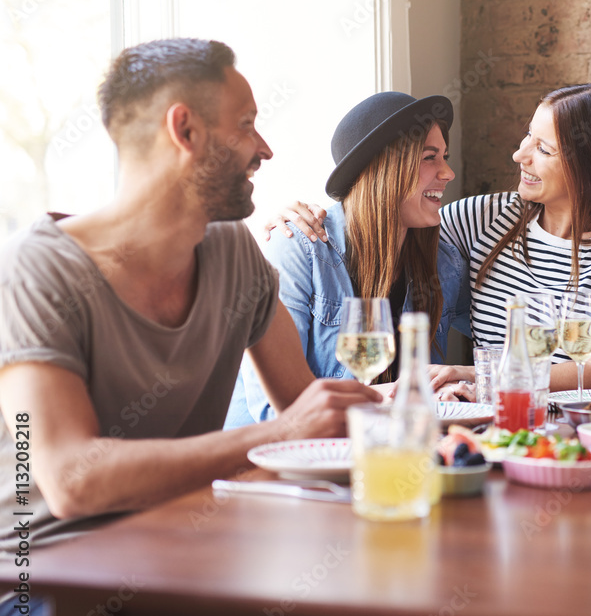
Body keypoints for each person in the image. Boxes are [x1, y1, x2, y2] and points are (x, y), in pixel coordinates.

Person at [0, 38, 381, 559]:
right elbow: (71, 480)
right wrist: (284, 431)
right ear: (185, 131)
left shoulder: (232, 249)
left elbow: (305, 407)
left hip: (185, 551)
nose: (264, 148)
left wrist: (422, 425)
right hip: (43, 580)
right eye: (246, 124)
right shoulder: (34, 269)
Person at [271, 83, 591, 393]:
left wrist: (463, 374)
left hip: (580, 429)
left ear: (590, 165)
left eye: (543, 148)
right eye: (526, 137)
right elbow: (383, 216)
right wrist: (292, 221)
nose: (520, 155)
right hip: (496, 429)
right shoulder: (482, 220)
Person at [225, 92, 470, 427]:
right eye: (430, 158)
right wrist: (402, 395)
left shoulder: (443, 263)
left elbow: (510, 352)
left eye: (445, 157)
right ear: (384, 168)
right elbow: (273, 410)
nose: (448, 173)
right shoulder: (300, 247)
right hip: (281, 465)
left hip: (376, 449)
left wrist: (451, 385)